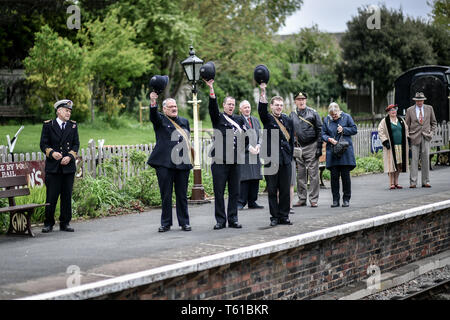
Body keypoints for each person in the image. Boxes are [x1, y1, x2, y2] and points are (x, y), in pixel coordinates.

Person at [147, 92, 192, 232]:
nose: (174, 108)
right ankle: (166, 223)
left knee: (182, 195)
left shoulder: (184, 121)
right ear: (164, 109)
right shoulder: (160, 120)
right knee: (166, 195)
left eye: (175, 106)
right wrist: (153, 101)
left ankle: (184, 222)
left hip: (182, 163)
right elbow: (153, 116)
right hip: (165, 163)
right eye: (171, 107)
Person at [204, 79, 246, 230]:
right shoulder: (218, 118)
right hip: (220, 160)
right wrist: (211, 88)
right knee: (219, 192)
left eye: (233, 105)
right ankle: (221, 220)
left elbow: (245, 137)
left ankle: (233, 219)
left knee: (235, 192)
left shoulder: (239, 120)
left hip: (235, 161)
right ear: (224, 105)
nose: (231, 106)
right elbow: (212, 107)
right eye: (229, 104)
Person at [40, 99, 79, 233]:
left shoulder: (73, 126)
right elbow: (43, 144)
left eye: (70, 111)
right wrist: (52, 153)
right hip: (53, 167)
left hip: (68, 167)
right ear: (59, 111)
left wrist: (70, 156)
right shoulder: (48, 125)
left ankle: (65, 222)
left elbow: (76, 144)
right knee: (51, 196)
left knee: (66, 196)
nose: (69, 113)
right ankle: (49, 223)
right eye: (66, 110)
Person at [258, 83, 294, 227]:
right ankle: (274, 217)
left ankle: (284, 216)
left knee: (285, 189)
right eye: (276, 105)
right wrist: (263, 92)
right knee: (272, 190)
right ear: (271, 106)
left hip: (285, 159)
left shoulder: (288, 120)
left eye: (281, 105)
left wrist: (290, 155)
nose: (279, 107)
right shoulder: (267, 119)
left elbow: (291, 139)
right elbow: (261, 110)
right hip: (271, 159)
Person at [290, 92, 323, 208]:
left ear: (306, 100)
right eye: (299, 99)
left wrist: (319, 147)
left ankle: (313, 199)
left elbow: (320, 130)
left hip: (311, 146)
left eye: (303, 99)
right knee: (301, 174)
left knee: (313, 174)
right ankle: (302, 198)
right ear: (295, 101)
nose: (301, 101)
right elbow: (290, 131)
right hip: (298, 147)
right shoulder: (292, 114)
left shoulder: (313, 113)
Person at [321, 102, 357, 208]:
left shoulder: (347, 117)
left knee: (346, 177)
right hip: (332, 151)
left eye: (335, 114)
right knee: (334, 177)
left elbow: (354, 129)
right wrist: (328, 139)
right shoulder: (326, 120)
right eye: (332, 115)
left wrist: (344, 130)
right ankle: (335, 200)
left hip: (345, 151)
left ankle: (346, 199)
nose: (334, 116)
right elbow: (323, 133)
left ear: (339, 111)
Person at [405, 92, 437, 188]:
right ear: (415, 101)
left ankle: (426, 181)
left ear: (424, 100)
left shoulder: (429, 108)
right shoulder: (410, 110)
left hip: (426, 136)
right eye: (418, 100)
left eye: (421, 100)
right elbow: (407, 125)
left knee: (426, 159)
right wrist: (408, 135)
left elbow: (434, 122)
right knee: (414, 160)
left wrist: (431, 132)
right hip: (414, 137)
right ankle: (413, 182)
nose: (419, 102)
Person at [237, 100, 264, 210]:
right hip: (244, 153)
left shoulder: (255, 120)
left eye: (248, 107)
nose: (247, 109)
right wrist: (249, 147)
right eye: (245, 107)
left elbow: (261, 135)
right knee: (245, 178)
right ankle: (241, 202)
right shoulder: (238, 120)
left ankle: (252, 201)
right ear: (240, 109)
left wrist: (258, 145)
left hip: (255, 153)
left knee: (255, 178)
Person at [378, 104, 409, 189]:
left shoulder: (401, 120)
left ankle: (396, 182)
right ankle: (391, 183)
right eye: (391, 110)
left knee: (399, 164)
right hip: (391, 147)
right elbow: (380, 131)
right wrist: (385, 141)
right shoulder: (384, 121)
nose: (393, 112)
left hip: (400, 146)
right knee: (391, 165)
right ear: (388, 112)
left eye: (394, 110)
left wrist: (407, 138)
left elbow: (406, 129)